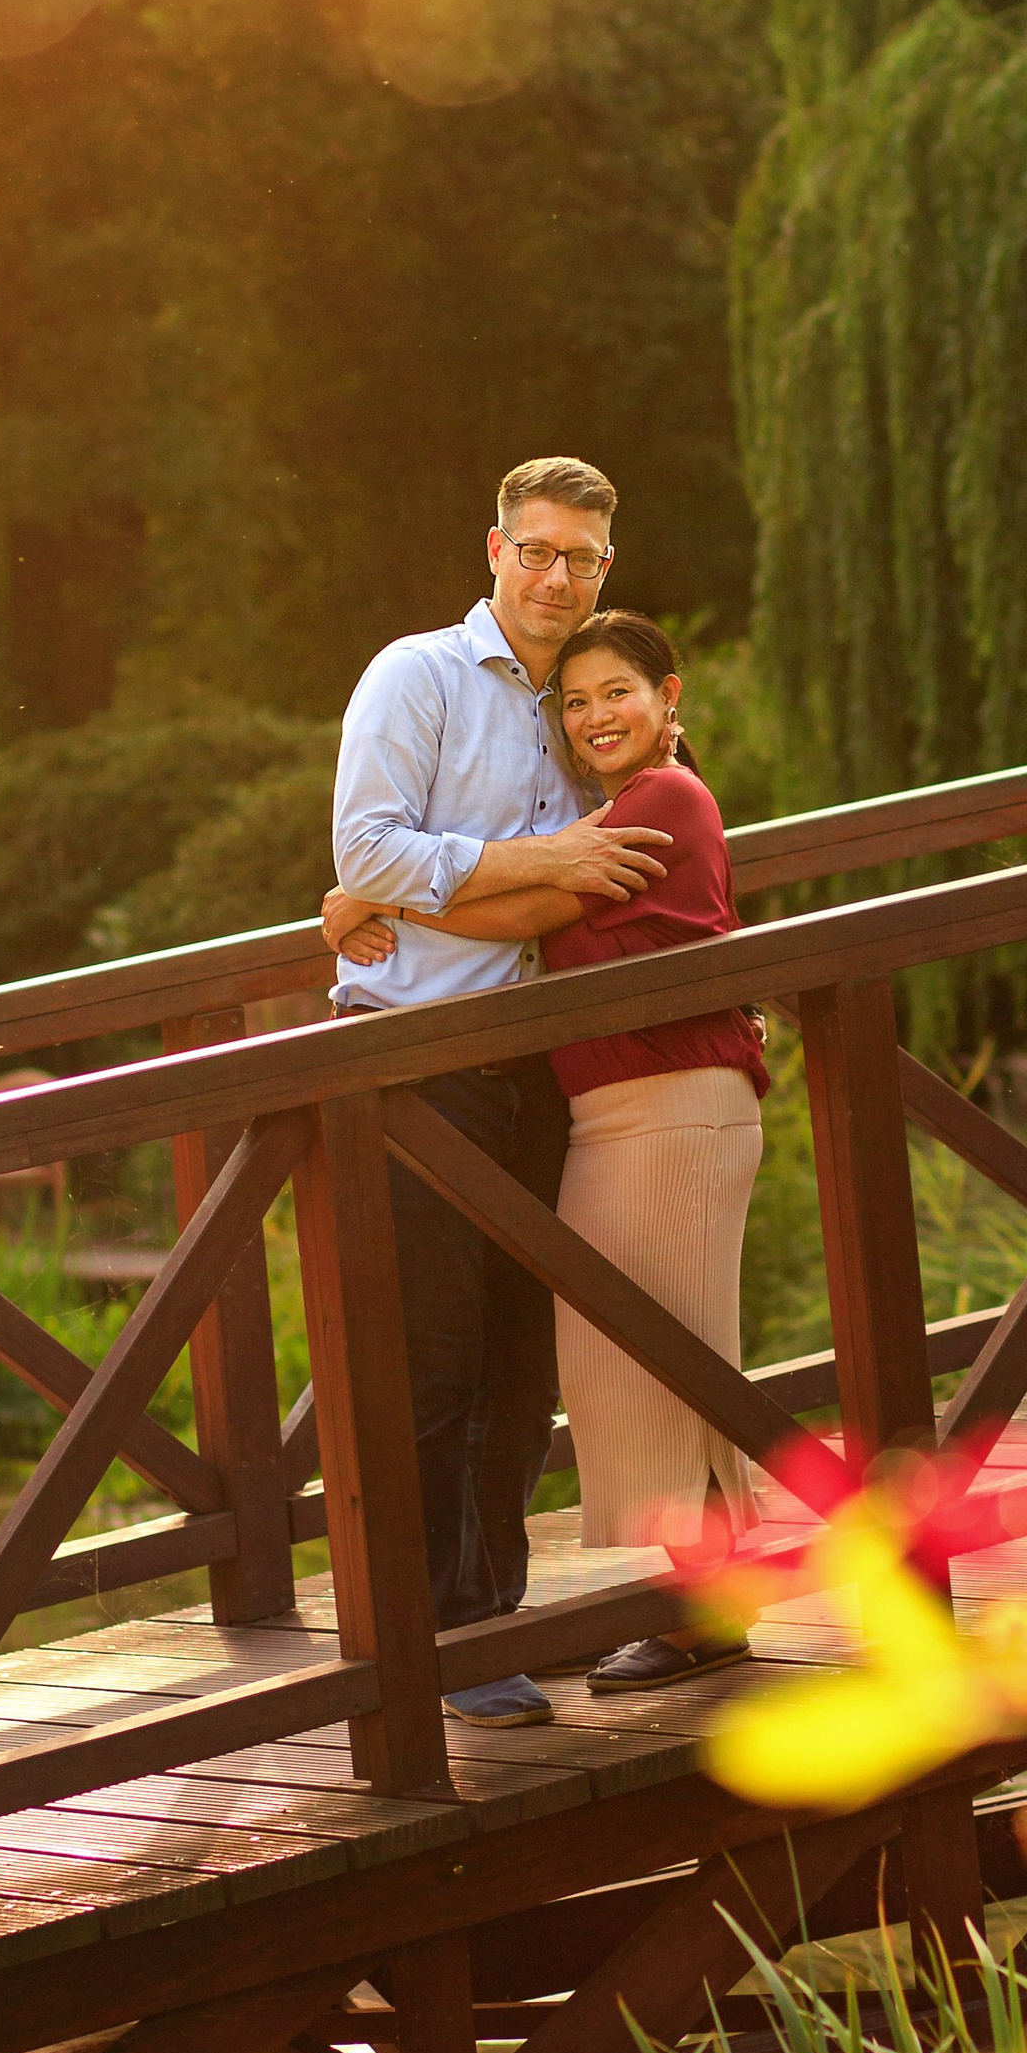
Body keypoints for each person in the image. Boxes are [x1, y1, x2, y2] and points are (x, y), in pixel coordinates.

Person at [328, 609, 767, 1696]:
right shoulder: (605, 806)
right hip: (617, 1113)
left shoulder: (662, 801)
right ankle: (692, 1606)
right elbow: (539, 896)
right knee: (647, 1357)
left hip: (672, 1105)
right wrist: (382, 897)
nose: (594, 717)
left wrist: (377, 900)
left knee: (673, 1357)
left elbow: (543, 908)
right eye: (575, 703)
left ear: (670, 698)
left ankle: (708, 1613)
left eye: (618, 692)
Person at [327, 457, 673, 1725]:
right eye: (536, 550)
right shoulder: (414, 674)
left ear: (604, 567)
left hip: (542, 1067)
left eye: (580, 558)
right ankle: (446, 1637)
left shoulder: (587, 698)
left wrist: (388, 895)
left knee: (524, 1367)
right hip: (414, 1061)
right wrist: (537, 858)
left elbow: (628, 849)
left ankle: (497, 1617)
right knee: (436, 1364)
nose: (555, 577)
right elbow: (366, 847)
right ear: (494, 550)